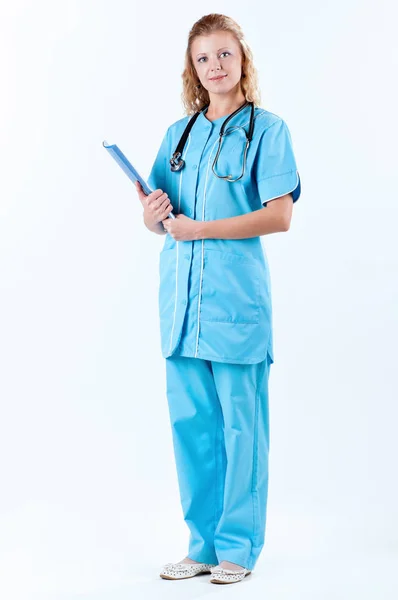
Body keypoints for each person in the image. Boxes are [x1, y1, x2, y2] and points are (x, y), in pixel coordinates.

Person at [134, 13, 301, 585]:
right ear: (193, 68)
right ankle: (201, 546)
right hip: (182, 309)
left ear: (242, 60)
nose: (215, 66)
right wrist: (153, 216)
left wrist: (198, 228)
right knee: (193, 430)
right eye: (203, 58)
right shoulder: (179, 135)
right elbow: (163, 223)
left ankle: (238, 550)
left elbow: (279, 215)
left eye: (224, 54)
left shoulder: (267, 130)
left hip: (235, 308)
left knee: (240, 430)